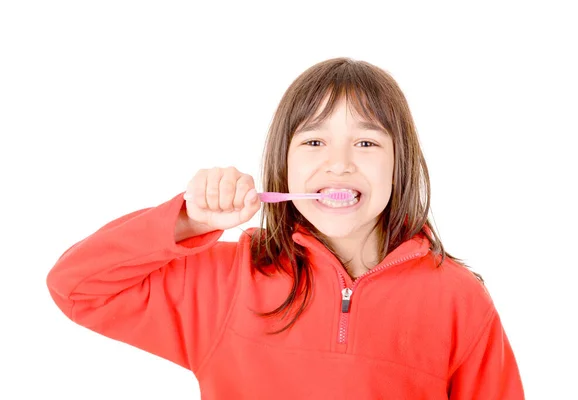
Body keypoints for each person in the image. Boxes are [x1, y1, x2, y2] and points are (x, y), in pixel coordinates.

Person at [46, 57, 525, 399]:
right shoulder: (227, 282)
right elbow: (77, 288)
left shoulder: (458, 300)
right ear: (283, 166)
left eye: (366, 142)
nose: (338, 164)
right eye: (314, 140)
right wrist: (189, 220)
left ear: (400, 165)